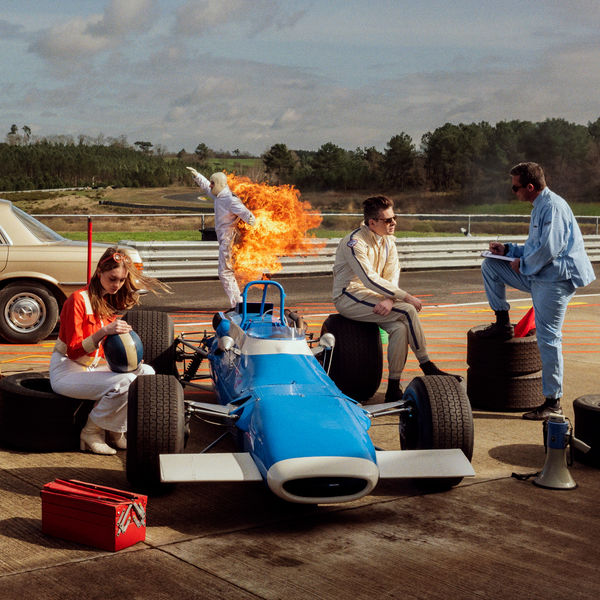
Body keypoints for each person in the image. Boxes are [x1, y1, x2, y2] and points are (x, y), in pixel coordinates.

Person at [480, 162, 595, 420]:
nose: (514, 192)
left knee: (548, 338)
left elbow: (549, 249)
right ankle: (502, 322)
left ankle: (553, 402)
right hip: (540, 275)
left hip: (555, 280)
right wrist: (508, 250)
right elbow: (535, 246)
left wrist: (525, 264)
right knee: (491, 265)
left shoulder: (552, 206)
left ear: (530, 187)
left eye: (515, 188)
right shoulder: (540, 206)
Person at [333, 195, 462, 402]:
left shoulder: (389, 241)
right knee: (408, 310)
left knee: (400, 329)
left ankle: (393, 386)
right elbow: (369, 279)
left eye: (394, 218)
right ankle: (426, 364)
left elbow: (392, 274)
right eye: (388, 220)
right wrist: (406, 297)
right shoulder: (354, 242)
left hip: (377, 296)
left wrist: (391, 299)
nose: (393, 223)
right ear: (372, 222)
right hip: (348, 296)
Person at [50, 247, 168, 455]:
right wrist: (103, 332)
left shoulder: (107, 302)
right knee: (125, 382)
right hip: (67, 371)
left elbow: (109, 352)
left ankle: (115, 431)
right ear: (99, 273)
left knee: (146, 373)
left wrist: (131, 359)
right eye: (112, 278)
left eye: (122, 280)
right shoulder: (77, 300)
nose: (117, 285)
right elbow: (74, 352)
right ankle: (91, 431)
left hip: (93, 368)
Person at [186, 167, 256, 307]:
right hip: (226, 239)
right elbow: (207, 187)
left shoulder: (230, 199)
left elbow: (250, 218)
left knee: (225, 272)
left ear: (219, 184)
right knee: (229, 272)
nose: (210, 185)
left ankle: (237, 304)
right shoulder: (219, 196)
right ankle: (240, 301)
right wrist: (197, 175)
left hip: (229, 239)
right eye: (211, 183)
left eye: (213, 183)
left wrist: (251, 224)